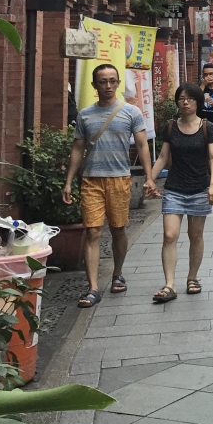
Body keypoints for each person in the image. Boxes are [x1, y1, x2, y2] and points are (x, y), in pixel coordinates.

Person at [63, 64, 156, 309]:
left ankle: (117, 273)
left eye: (112, 81)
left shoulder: (131, 112)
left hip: (119, 178)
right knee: (93, 232)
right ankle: (93, 287)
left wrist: (149, 177)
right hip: (91, 180)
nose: (108, 85)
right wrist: (69, 181)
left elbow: (142, 145)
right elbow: (77, 148)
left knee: (118, 229)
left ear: (118, 83)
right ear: (94, 85)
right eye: (103, 81)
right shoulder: (85, 115)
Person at [147, 83, 213, 302]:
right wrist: (150, 179)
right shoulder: (171, 127)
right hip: (174, 188)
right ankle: (169, 284)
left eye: (190, 98)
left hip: (199, 188)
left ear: (198, 101)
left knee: (195, 235)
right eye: (181, 99)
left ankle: (192, 277)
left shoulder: (207, 127)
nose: (186, 102)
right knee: (170, 235)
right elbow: (163, 157)